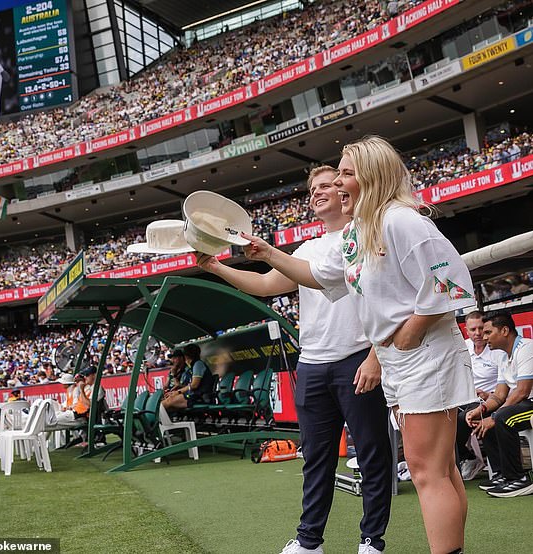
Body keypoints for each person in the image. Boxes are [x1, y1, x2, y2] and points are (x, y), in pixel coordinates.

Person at [241, 136, 476, 554]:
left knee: (426, 472)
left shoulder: (400, 220)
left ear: (371, 177)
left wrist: (414, 327)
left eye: (347, 173)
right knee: (440, 468)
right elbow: (318, 275)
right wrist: (265, 251)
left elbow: (453, 280)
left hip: (424, 355)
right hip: (401, 359)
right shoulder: (359, 231)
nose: (338, 181)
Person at [196, 165, 392, 554]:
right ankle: (309, 542)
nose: (317, 193)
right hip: (313, 364)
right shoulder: (306, 250)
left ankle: (371, 541)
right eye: (312, 189)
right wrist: (217, 267)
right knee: (316, 460)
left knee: (372, 455)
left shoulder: (367, 236)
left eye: (326, 186)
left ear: (345, 192)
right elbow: (268, 284)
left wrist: (375, 356)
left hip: (357, 360)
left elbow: (388, 302)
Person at [465, 312, 533, 497]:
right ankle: (502, 474)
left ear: (504, 330)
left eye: (488, 332)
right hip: (523, 405)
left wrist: (495, 416)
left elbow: (522, 391)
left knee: (502, 418)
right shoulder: (503, 356)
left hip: (530, 403)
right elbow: (500, 394)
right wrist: (482, 410)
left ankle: (519, 479)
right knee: (485, 418)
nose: (484, 337)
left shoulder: (526, 347)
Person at [456, 311, 504, 480]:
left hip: (489, 400)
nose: (477, 333)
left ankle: (498, 471)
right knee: (443, 420)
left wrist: (488, 394)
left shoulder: (496, 348)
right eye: (473, 329)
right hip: (463, 398)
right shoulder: (463, 346)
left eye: (481, 328)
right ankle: (465, 459)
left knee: (463, 418)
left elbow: (506, 387)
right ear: (466, 330)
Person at [162, 344, 214, 412]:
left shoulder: (198, 364)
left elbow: (194, 385)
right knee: (169, 405)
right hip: (194, 395)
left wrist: (178, 392)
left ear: (186, 355)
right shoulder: (193, 365)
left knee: (169, 401)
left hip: (200, 397)